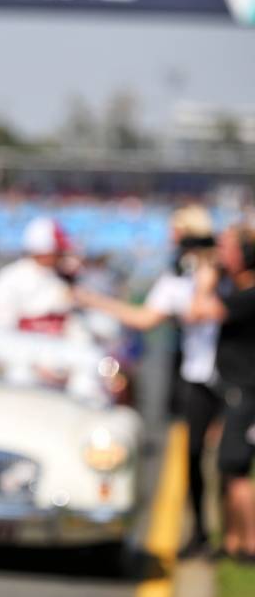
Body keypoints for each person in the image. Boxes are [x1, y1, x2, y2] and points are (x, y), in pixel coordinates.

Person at [74, 205, 222, 557]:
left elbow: (202, 310)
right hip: (198, 373)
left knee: (226, 459)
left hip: (229, 372)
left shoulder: (218, 270)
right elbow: (145, 317)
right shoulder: (177, 277)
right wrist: (94, 301)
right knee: (197, 453)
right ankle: (203, 531)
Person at [188, 224, 255, 561]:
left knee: (237, 467)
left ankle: (249, 545)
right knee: (228, 468)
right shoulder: (240, 289)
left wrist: (204, 284)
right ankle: (231, 542)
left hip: (246, 393)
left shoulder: (248, 294)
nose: (221, 255)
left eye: (229, 249)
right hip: (234, 391)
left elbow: (200, 312)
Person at [0, 217, 80, 337]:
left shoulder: (59, 277)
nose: (61, 256)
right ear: (44, 251)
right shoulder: (9, 279)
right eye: (58, 251)